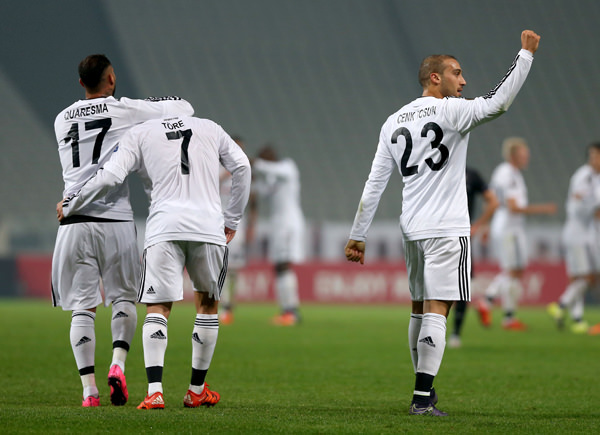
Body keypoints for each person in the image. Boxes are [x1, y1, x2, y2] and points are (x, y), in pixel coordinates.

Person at [345, 30, 541, 416]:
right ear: (435, 77)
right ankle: (422, 398)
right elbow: (499, 102)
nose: (463, 81)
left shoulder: (392, 122)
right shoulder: (452, 111)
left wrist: (357, 235)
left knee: (419, 308)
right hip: (447, 228)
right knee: (438, 308)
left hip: (412, 228)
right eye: (456, 73)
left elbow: (375, 183)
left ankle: (423, 389)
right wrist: (525, 56)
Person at [57, 114, 251, 409]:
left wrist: (73, 202)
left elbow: (110, 176)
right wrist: (233, 218)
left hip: (164, 226)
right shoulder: (209, 127)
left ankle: (154, 392)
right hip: (208, 225)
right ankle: (196, 390)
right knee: (208, 304)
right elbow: (243, 166)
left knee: (158, 307)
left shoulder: (142, 131)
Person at [52, 54, 194, 407]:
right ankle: (117, 363)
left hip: (72, 218)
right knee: (124, 298)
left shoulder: (61, 119)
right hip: (114, 218)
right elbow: (184, 108)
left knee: (82, 306)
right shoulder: (125, 110)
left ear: (81, 83)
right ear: (111, 79)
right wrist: (142, 104)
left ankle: (89, 391)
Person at [480, 138, 557, 330]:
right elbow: (513, 207)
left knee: (518, 271)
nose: (527, 158)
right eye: (524, 154)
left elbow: (493, 199)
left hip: (513, 227)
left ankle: (504, 313)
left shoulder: (512, 173)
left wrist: (487, 226)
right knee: (511, 271)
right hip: (508, 228)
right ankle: (489, 302)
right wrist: (543, 209)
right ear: (513, 155)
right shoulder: (507, 174)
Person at [548, 143, 600, 333]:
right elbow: (581, 203)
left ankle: (574, 317)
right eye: (593, 155)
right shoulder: (583, 176)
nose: (594, 159)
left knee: (583, 277)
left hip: (587, 233)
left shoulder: (595, 178)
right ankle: (562, 306)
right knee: (587, 276)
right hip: (577, 233)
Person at [250, 145, 305, 326]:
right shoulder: (271, 178)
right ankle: (286, 310)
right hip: (278, 225)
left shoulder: (288, 166)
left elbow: (267, 168)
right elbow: (260, 191)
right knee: (278, 266)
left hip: (289, 223)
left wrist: (255, 163)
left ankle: (291, 311)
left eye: (264, 157)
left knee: (284, 264)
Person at [448, 166, 498, 348]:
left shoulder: (471, 174)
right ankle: (431, 332)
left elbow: (493, 202)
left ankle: (455, 333)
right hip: (438, 233)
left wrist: (478, 226)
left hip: (462, 235)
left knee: (463, 284)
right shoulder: (437, 167)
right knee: (436, 283)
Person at [218, 135, 250, 325]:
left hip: (238, 225)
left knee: (234, 269)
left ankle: (230, 304)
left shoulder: (244, 169)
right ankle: (223, 305)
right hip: (217, 223)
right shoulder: (217, 167)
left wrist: (252, 225)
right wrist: (226, 172)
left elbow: (250, 198)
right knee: (219, 266)